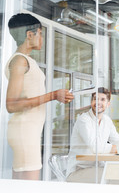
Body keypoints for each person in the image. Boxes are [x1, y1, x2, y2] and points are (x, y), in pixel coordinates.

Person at [5, 13, 74, 180]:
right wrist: (52, 95)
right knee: (29, 187)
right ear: (30, 34)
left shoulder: (25, 60)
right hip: (24, 130)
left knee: (21, 186)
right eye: (40, 33)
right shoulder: (20, 61)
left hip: (28, 130)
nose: (42, 38)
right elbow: (11, 105)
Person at [66, 87, 119, 183]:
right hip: (78, 170)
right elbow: (95, 147)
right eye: (95, 99)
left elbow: (117, 140)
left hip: (99, 167)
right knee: (114, 177)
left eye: (102, 99)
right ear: (91, 102)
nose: (98, 102)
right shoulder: (83, 120)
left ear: (108, 104)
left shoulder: (107, 120)